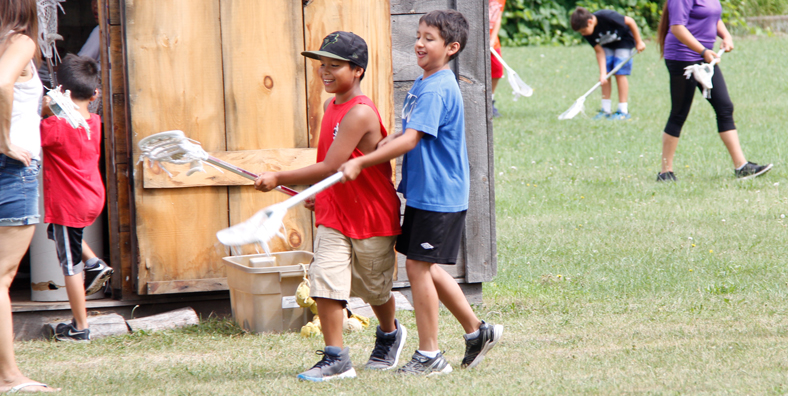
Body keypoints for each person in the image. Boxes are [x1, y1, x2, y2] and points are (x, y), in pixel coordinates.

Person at [340, 10, 503, 376]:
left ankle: (430, 355)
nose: (419, 43)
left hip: (439, 194)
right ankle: (477, 331)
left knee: (417, 266)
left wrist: (362, 162)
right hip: (425, 193)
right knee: (422, 264)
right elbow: (407, 131)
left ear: (451, 47)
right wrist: (387, 140)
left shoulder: (438, 87)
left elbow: (413, 139)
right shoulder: (424, 81)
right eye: (418, 35)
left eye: (429, 38)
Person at [254, 31, 406, 382]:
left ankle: (390, 333)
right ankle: (336, 357)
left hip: (371, 213)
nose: (324, 72)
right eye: (322, 65)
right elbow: (331, 166)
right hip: (335, 211)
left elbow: (331, 165)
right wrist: (320, 193)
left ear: (357, 71)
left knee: (374, 288)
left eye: (334, 66)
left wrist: (280, 176)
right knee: (325, 279)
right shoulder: (330, 106)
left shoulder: (359, 113)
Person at [0, 0, 58, 392]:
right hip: (14, 168)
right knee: (1, 277)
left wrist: (42, 105)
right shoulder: (20, 41)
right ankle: (9, 376)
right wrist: (4, 140)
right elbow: (2, 83)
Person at [655, 0, 772, 181]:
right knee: (679, 113)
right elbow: (677, 27)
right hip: (683, 58)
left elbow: (713, 16)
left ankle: (741, 166)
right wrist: (703, 51)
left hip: (705, 57)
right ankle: (665, 172)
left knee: (724, 107)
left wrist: (726, 35)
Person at [40, 53, 109, 341]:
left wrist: (46, 111)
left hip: (69, 205)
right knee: (56, 234)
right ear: (94, 95)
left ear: (62, 93)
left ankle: (81, 328)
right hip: (93, 198)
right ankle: (96, 264)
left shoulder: (53, 127)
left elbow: (33, 137)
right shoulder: (95, 122)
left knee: (69, 266)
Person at [571, 7, 646, 120]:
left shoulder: (607, 16)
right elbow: (599, 51)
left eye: (583, 31)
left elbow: (630, 21)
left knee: (619, 73)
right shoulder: (587, 33)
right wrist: (602, 74)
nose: (583, 34)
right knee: (606, 75)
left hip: (624, 41)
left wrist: (639, 42)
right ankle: (605, 110)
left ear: (590, 22)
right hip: (607, 46)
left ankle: (623, 111)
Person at [489, 0, 505, 118]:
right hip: (478, 38)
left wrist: (493, 39)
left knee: (497, 70)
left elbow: (498, 17)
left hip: (493, 42)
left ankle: (490, 101)